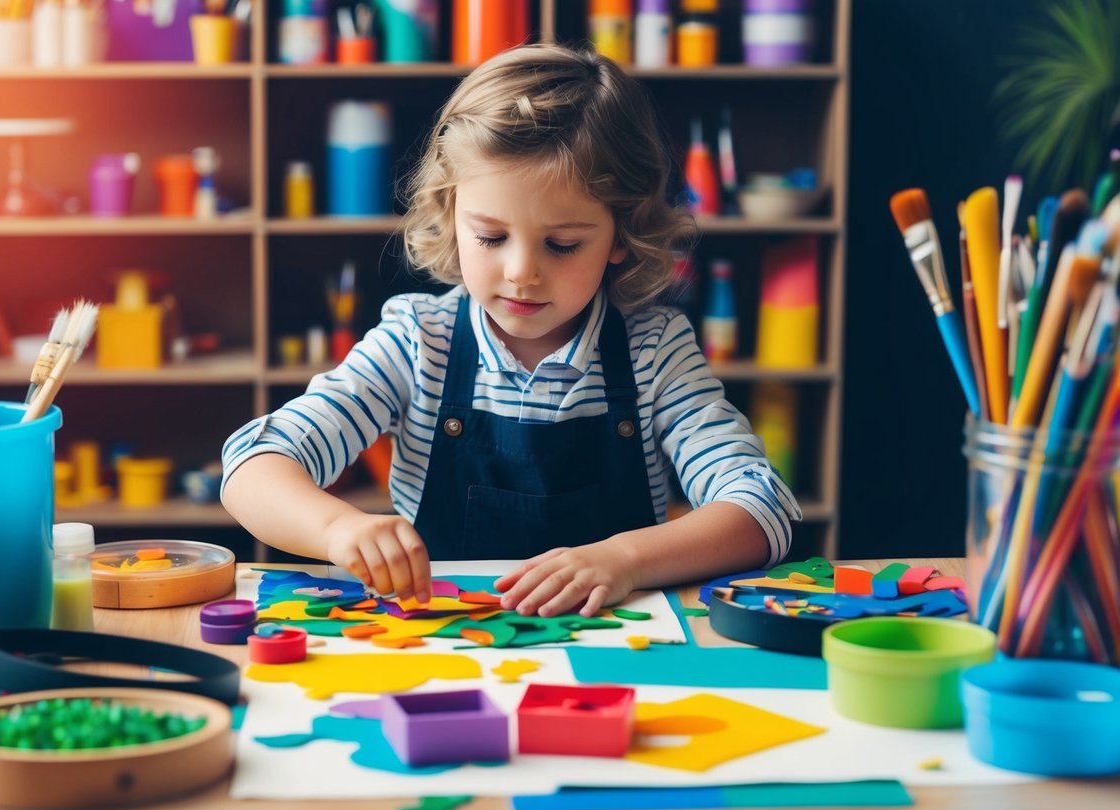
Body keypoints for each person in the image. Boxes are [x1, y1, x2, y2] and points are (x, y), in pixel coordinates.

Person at [221, 43, 800, 618]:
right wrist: (336, 527)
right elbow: (253, 464)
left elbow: (760, 506)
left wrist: (625, 558)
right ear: (451, 215)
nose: (522, 272)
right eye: (491, 237)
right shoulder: (418, 340)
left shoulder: (654, 351)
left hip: (615, 647)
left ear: (621, 235)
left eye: (563, 244)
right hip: (442, 643)